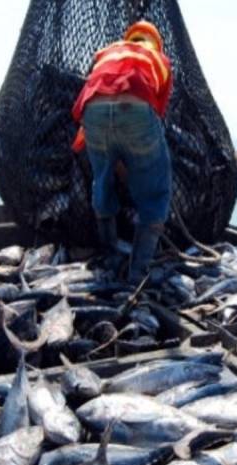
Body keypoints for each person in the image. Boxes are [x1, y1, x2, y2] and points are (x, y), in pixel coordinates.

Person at [71, 20, 173, 284]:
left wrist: (109, 154)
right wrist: (137, 164)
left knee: (101, 181)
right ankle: (137, 273)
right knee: (156, 193)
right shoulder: (158, 58)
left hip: (92, 111)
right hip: (135, 107)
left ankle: (110, 255)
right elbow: (156, 113)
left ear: (131, 38)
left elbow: (96, 89)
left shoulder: (107, 51)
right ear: (154, 42)